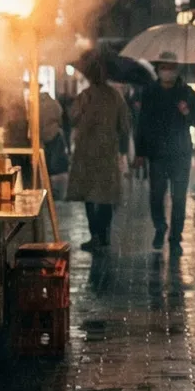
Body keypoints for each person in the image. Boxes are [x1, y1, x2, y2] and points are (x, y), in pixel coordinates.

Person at [135, 53, 195, 251]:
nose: (167, 71)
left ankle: (175, 238)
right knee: (156, 195)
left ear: (177, 69)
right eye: (164, 67)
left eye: (171, 67)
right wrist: (140, 152)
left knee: (179, 197)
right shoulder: (150, 92)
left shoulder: (186, 92)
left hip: (180, 153)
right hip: (157, 154)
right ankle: (160, 226)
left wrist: (186, 111)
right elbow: (143, 123)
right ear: (158, 69)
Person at [65, 57, 131, 250]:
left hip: (87, 153)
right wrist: (123, 150)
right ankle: (104, 235)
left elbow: (72, 119)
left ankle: (95, 235)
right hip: (107, 153)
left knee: (90, 196)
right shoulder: (115, 97)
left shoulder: (85, 96)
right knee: (105, 197)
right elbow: (124, 125)